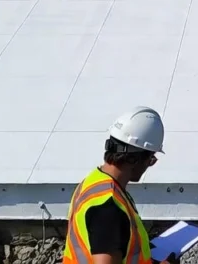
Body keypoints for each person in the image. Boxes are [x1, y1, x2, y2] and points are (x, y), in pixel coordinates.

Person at [62, 106, 167, 264]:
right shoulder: (109, 207)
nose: (149, 166)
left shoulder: (93, 182)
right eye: (151, 160)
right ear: (135, 159)